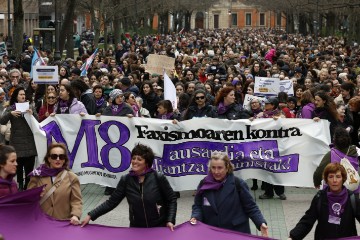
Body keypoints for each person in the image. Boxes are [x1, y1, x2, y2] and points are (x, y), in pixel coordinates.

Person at [81, 144, 177, 230]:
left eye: (139, 159)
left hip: (158, 227)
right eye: (133, 158)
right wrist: (91, 215)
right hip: (136, 228)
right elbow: (111, 202)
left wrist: (170, 220)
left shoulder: (158, 177)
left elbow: (171, 199)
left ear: (146, 163)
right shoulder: (126, 180)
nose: (135, 161)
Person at [190, 152, 268, 236]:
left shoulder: (238, 184)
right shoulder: (204, 184)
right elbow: (197, 205)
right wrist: (195, 216)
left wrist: (260, 223)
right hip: (211, 233)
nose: (216, 171)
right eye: (213, 168)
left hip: (236, 232)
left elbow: (251, 207)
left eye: (220, 168)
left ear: (227, 168)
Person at [288, 162, 360, 240]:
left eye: (338, 177)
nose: (334, 180)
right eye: (331, 177)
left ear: (343, 179)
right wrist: (293, 237)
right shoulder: (320, 198)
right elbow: (307, 221)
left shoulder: (351, 198)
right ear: (326, 179)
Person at [27, 143, 82, 225]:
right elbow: (28, 199)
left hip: (62, 223)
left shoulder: (72, 177)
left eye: (61, 156)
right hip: (41, 223)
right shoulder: (37, 176)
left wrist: (75, 215)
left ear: (64, 160)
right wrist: (36, 195)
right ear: (49, 159)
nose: (58, 159)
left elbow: (76, 201)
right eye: (54, 156)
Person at [0, 87, 38, 191]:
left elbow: (37, 122)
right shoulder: (11, 108)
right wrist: (10, 114)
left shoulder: (30, 106)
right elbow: (2, 121)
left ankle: (27, 186)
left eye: (24, 94)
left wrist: (32, 114)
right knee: (19, 167)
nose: (23, 96)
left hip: (29, 142)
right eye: (21, 94)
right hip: (16, 143)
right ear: (16, 96)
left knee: (29, 168)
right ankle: (20, 185)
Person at [313, 128, 359, 192]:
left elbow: (319, 171)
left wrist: (317, 182)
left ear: (334, 140)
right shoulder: (355, 152)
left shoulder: (331, 154)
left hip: (334, 191)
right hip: (353, 189)